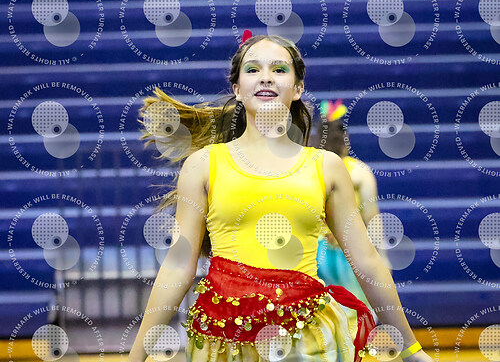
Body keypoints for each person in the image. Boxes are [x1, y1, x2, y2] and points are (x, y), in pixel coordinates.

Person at [128, 32, 432, 362]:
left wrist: (411, 350)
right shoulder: (203, 165)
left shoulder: (326, 167)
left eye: (279, 69)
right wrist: (135, 357)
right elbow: (177, 268)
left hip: (305, 342)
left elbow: (367, 261)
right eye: (253, 69)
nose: (266, 77)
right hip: (221, 341)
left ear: (298, 88)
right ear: (237, 88)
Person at [313, 100, 390, 336]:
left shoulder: (312, 169)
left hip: (321, 252)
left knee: (330, 315)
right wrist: (382, 257)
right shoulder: (359, 172)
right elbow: (372, 217)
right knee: (351, 313)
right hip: (343, 251)